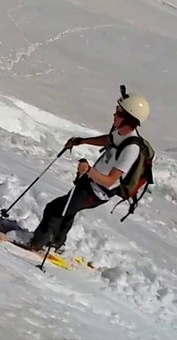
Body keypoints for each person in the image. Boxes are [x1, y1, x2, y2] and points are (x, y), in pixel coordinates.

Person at [28, 91, 151, 252]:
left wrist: (89, 170)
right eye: (117, 110)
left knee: (55, 209)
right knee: (68, 210)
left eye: (119, 113)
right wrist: (81, 141)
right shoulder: (121, 132)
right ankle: (56, 242)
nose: (114, 115)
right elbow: (109, 140)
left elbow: (110, 181)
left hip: (98, 192)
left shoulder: (131, 149)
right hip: (90, 182)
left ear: (130, 119)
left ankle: (36, 243)